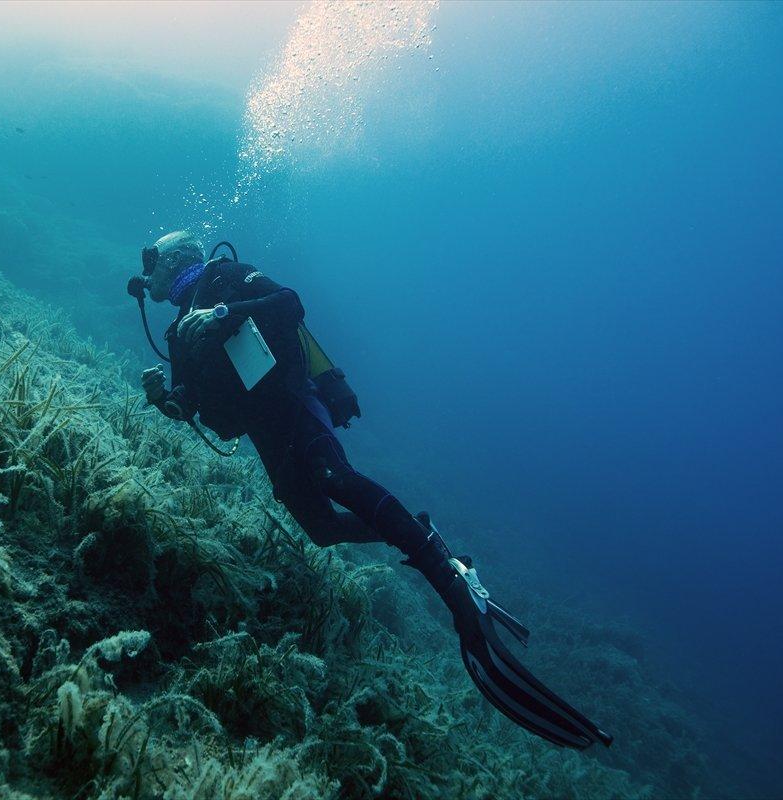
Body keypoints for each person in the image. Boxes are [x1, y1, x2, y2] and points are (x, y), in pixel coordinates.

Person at [132, 231, 612, 749]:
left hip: (295, 404)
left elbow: (289, 303)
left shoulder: (225, 277)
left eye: (153, 262)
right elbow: (201, 411)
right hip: (266, 433)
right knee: (319, 528)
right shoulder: (180, 332)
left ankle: (445, 575)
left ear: (178, 258)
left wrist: (224, 311)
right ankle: (417, 527)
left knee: (335, 477)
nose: (147, 273)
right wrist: (165, 400)